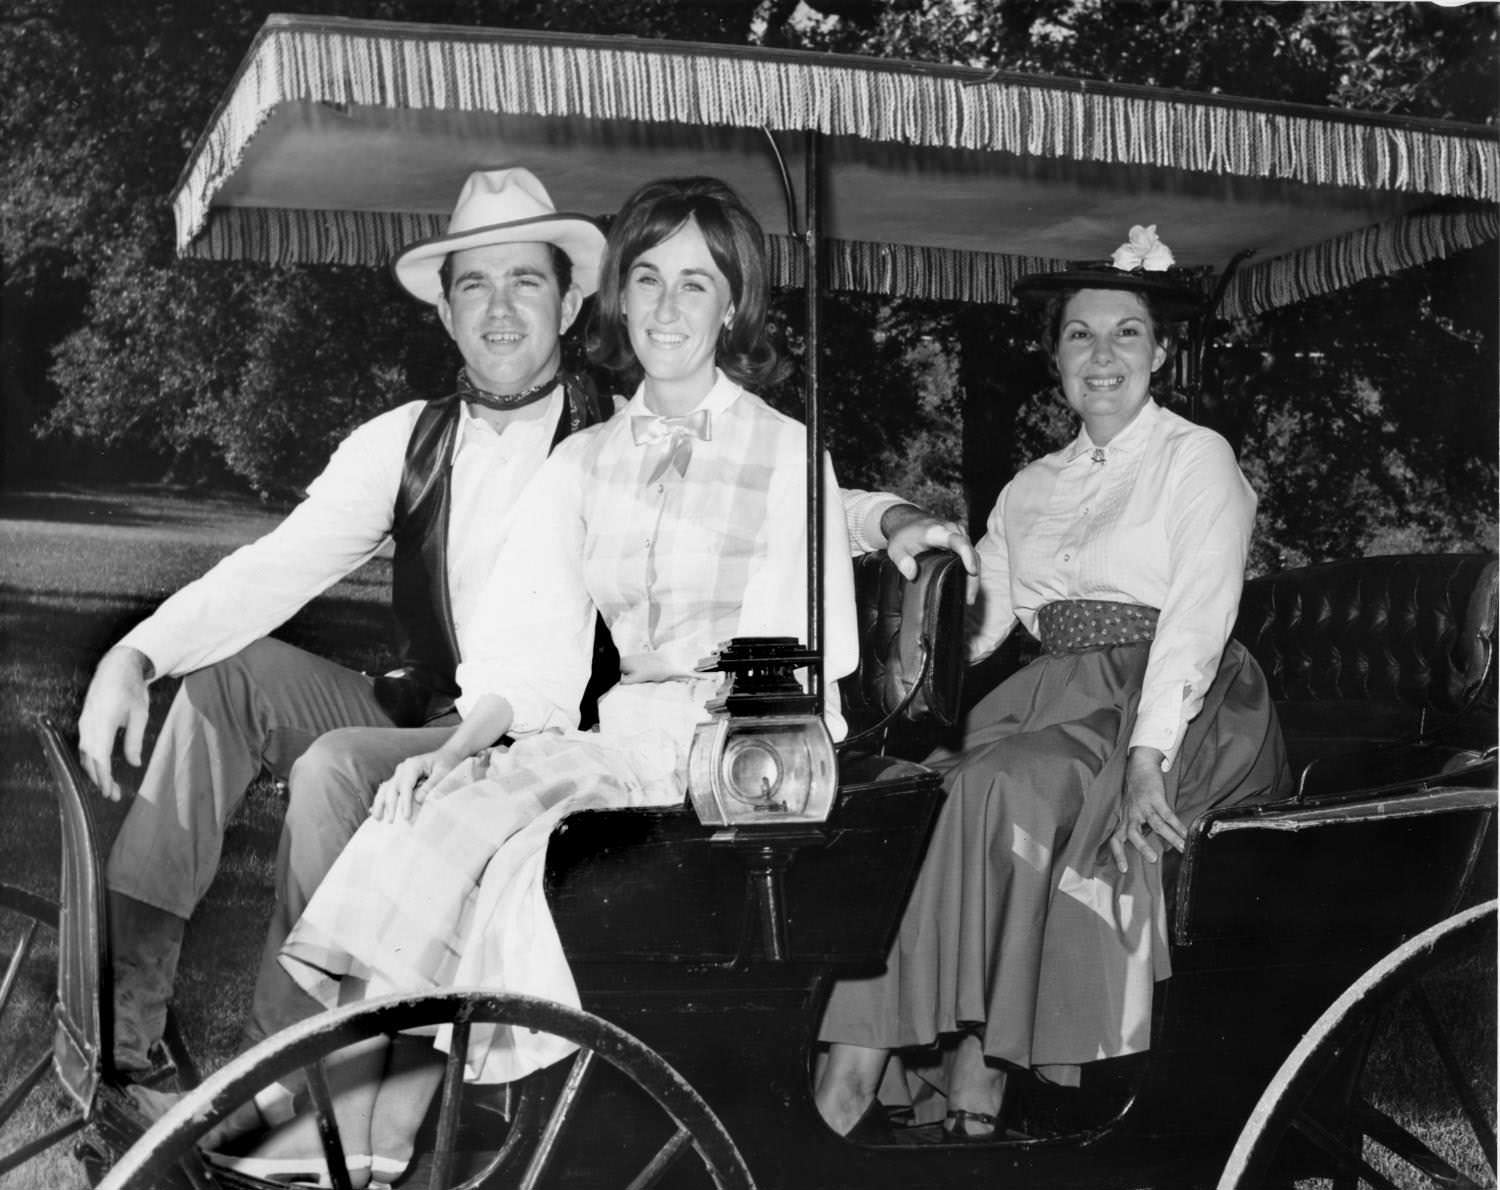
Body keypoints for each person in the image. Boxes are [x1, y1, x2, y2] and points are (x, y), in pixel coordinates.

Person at [76, 167, 977, 1078]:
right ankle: (131, 1022)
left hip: (572, 733)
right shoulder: (408, 439)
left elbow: (760, 492)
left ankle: (304, 1072)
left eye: (526, 282)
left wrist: (887, 516)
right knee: (224, 682)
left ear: (576, 299)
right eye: (474, 283)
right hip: (440, 705)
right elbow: (278, 565)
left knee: (336, 769)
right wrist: (136, 651)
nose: (499, 310)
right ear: (445, 309)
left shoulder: (612, 429)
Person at [205, 175, 859, 1187]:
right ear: (618, 299)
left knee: (510, 857)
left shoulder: (785, 456)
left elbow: (802, 675)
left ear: (735, 303)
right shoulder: (588, 461)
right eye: (647, 278)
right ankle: (356, 1128)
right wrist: (452, 754)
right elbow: (530, 655)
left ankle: (369, 1131)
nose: (667, 308)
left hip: (734, 766)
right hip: (616, 742)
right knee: (429, 813)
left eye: (697, 283)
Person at [813, 226, 1291, 1141]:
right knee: (923, 795)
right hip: (1055, 695)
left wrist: (1149, 758)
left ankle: (865, 1071)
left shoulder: (1198, 460)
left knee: (1002, 787)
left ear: (1160, 351)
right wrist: (912, 561)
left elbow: (1196, 618)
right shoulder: (1032, 486)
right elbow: (985, 623)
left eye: (1126, 334)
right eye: (1080, 335)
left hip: (1174, 705)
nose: (1102, 355)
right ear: (1056, 356)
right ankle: (969, 1068)